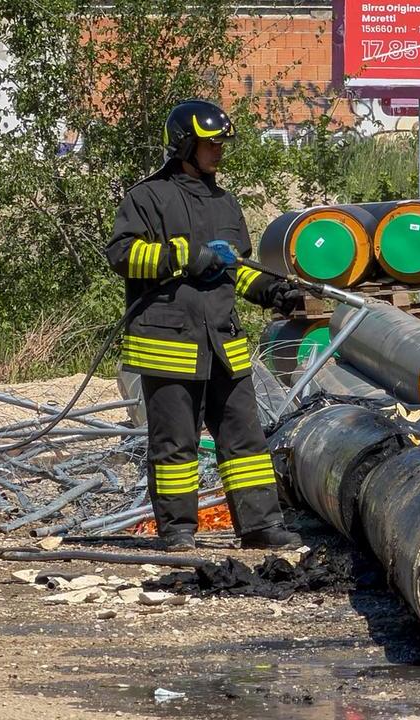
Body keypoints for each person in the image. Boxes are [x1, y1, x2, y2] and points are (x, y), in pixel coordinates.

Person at [105, 99, 304, 552]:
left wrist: (274, 291)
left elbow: (237, 268)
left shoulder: (224, 202)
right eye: (210, 143)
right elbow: (122, 256)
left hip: (222, 340)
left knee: (245, 439)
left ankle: (259, 526)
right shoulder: (147, 198)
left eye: (220, 143)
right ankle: (177, 530)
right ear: (183, 145)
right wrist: (180, 256)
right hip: (169, 341)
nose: (218, 151)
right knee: (176, 443)